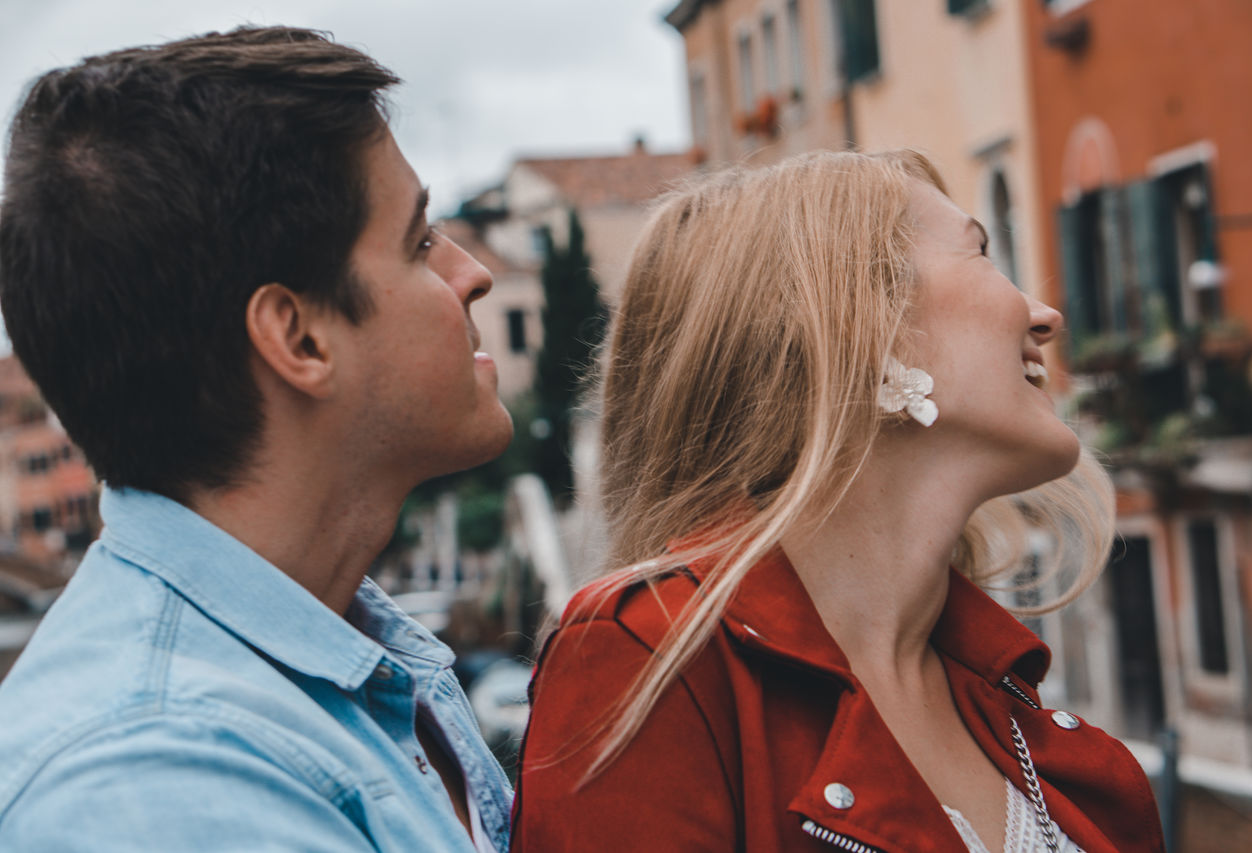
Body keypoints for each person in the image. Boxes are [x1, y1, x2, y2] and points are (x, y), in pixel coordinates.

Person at [513, 151, 1166, 852]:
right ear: (868, 327)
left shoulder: (1041, 735)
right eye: (982, 253)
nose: (1046, 316)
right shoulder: (646, 659)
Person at [0, 27, 514, 851]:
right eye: (419, 241)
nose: (471, 272)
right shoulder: (157, 789)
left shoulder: (343, 659)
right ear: (299, 339)